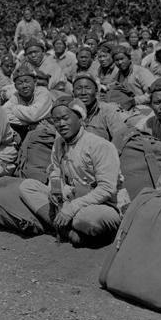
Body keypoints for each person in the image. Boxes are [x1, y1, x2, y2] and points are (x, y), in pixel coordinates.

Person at [19, 98, 125, 247]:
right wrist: (55, 189)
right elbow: (55, 169)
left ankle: (62, 225)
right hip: (71, 196)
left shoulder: (100, 145)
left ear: (80, 118)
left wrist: (72, 208)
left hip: (104, 204)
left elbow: (107, 189)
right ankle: (69, 232)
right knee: (27, 186)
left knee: (84, 219)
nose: (61, 124)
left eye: (65, 118)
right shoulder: (59, 142)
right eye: (56, 120)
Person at [71, 73, 129, 148]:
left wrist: (111, 153)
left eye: (88, 88)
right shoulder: (68, 112)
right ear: (73, 93)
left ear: (96, 91)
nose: (83, 93)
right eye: (78, 88)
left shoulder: (107, 110)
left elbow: (120, 133)